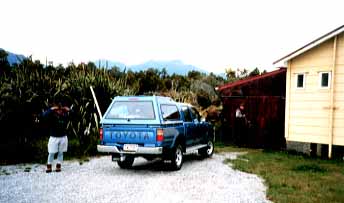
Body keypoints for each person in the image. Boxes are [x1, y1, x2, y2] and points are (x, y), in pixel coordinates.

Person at [42, 101, 71, 173]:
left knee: (61, 152)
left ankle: (58, 166)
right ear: (56, 110)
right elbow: (44, 115)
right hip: (54, 137)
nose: (60, 111)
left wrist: (69, 109)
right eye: (58, 109)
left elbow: (75, 115)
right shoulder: (51, 116)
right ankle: (49, 166)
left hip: (63, 137)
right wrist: (52, 109)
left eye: (61, 109)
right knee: (51, 152)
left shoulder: (65, 115)